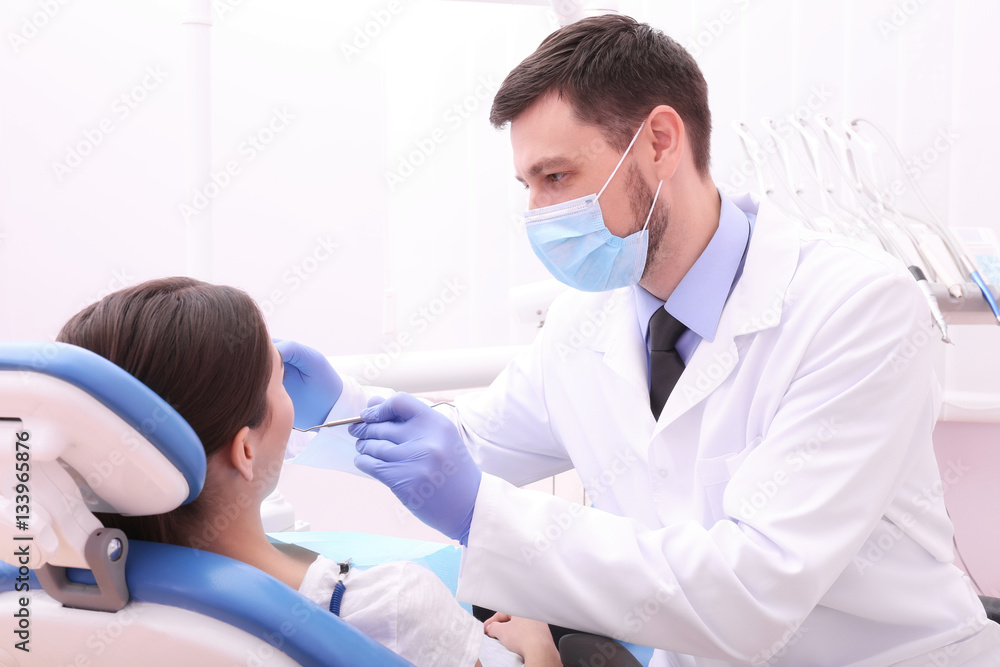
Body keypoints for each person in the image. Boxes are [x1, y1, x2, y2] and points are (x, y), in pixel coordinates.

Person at [278, 14, 1000, 667]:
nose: (537, 213)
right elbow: (463, 446)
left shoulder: (859, 309)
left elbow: (754, 587)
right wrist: (334, 409)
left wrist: (478, 510)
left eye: (557, 177)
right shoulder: (582, 324)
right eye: (527, 184)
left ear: (659, 141)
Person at [56, 276, 562, 667]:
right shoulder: (389, 606)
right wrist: (540, 650)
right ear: (245, 450)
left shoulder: (51, 600)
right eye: (277, 383)